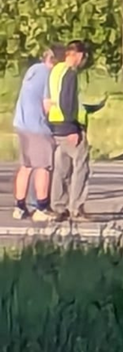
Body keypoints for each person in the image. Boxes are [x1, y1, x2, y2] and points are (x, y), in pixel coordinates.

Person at [12, 45, 64, 222]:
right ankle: (41, 208)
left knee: (26, 166)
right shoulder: (48, 75)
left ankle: (19, 206)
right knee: (43, 167)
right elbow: (47, 104)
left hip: (22, 123)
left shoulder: (33, 70)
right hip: (37, 126)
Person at [46, 40, 91, 221]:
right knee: (81, 167)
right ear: (78, 55)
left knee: (60, 169)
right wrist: (74, 128)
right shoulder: (71, 74)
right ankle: (76, 208)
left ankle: (58, 206)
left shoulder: (56, 70)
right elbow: (67, 101)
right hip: (69, 126)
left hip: (55, 125)